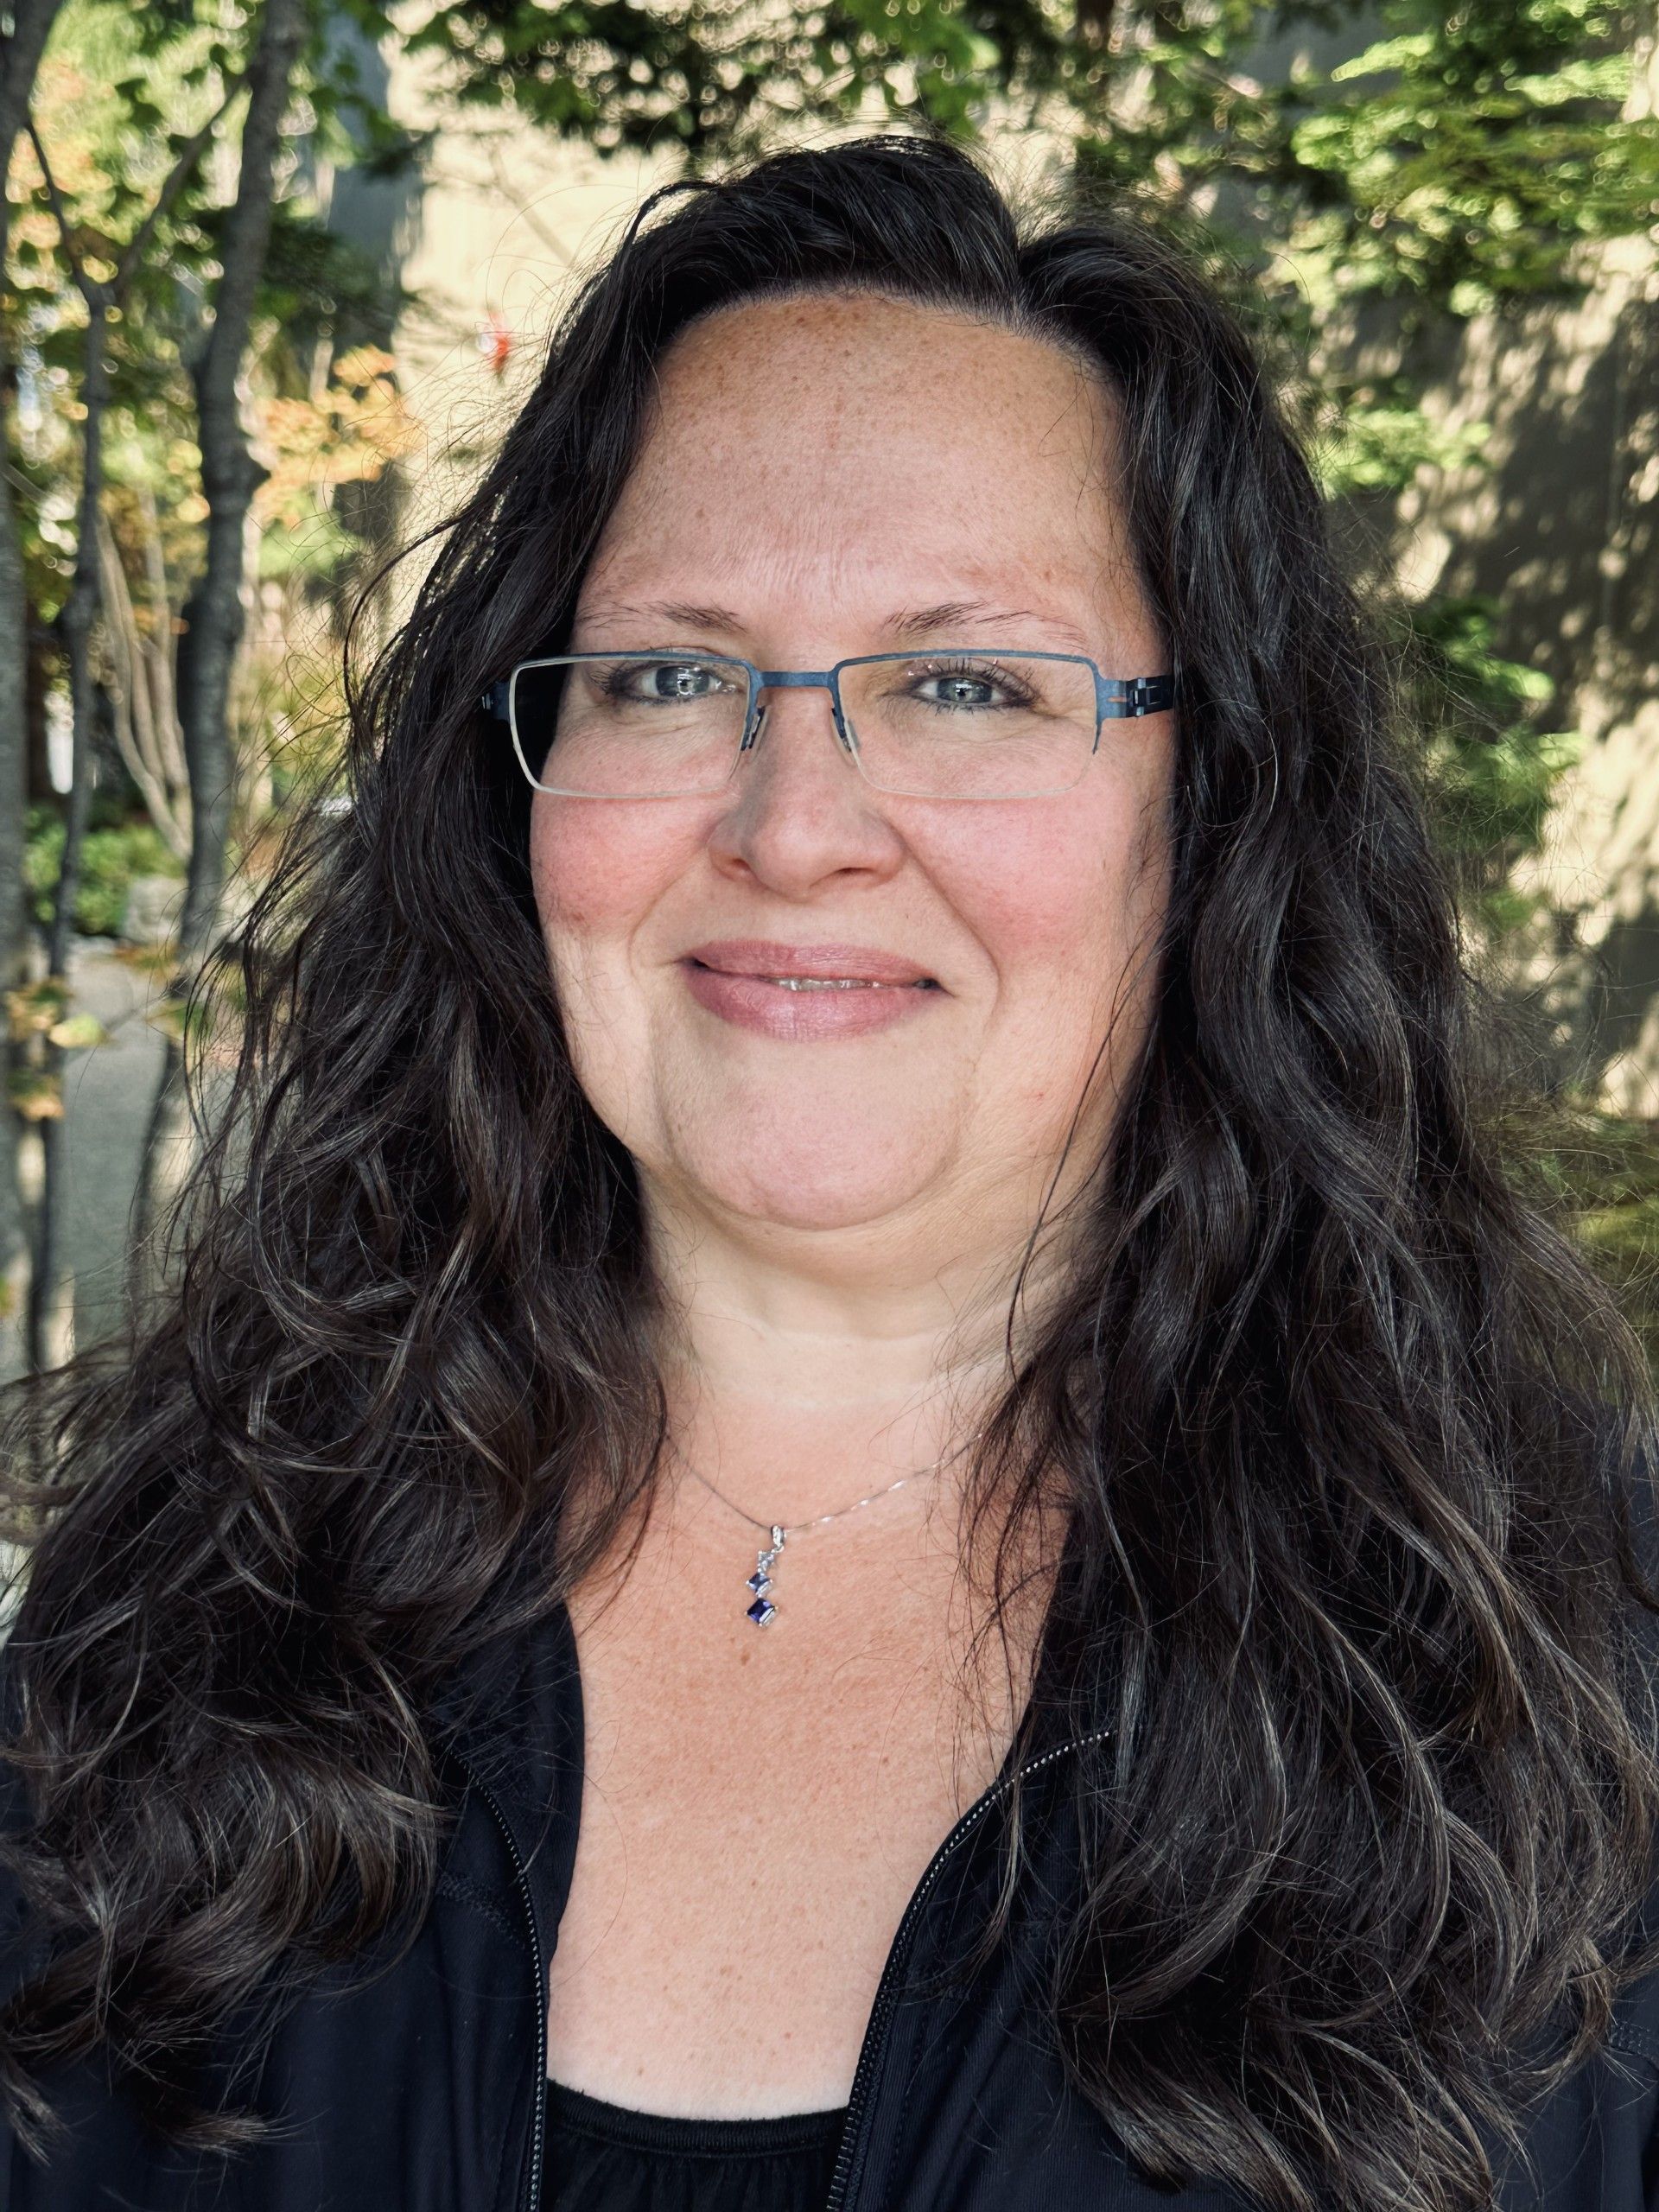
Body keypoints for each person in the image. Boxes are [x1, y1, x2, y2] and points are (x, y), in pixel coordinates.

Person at [3, 128, 1659, 2212]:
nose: (797, 822)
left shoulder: (1584, 1690)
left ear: (1212, 806)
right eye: (674, 672)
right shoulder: (171, 1617)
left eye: (968, 680)